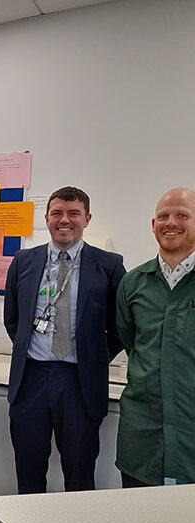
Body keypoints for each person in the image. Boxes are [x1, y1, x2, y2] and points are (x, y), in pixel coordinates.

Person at [3, 186, 125, 523]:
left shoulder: (108, 264)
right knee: (29, 472)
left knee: (79, 472)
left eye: (74, 213)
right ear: (47, 217)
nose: (64, 220)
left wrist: (92, 359)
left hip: (78, 382)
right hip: (33, 378)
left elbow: (119, 326)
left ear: (87, 218)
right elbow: (14, 320)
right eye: (57, 212)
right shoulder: (24, 260)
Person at [116, 187, 195, 487]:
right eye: (163, 216)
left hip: (190, 439)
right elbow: (129, 339)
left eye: (182, 215)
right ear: (153, 224)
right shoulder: (133, 283)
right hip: (142, 439)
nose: (170, 222)